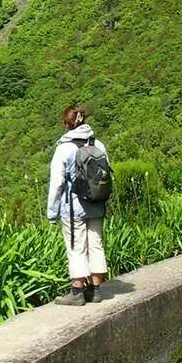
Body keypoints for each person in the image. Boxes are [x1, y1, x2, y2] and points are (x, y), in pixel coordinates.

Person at [47, 105, 109, 305]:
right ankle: (96, 290)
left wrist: (52, 213)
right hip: (97, 203)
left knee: (76, 247)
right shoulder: (98, 144)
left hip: (73, 208)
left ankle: (77, 292)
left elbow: (57, 183)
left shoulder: (64, 148)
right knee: (96, 244)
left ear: (67, 124)